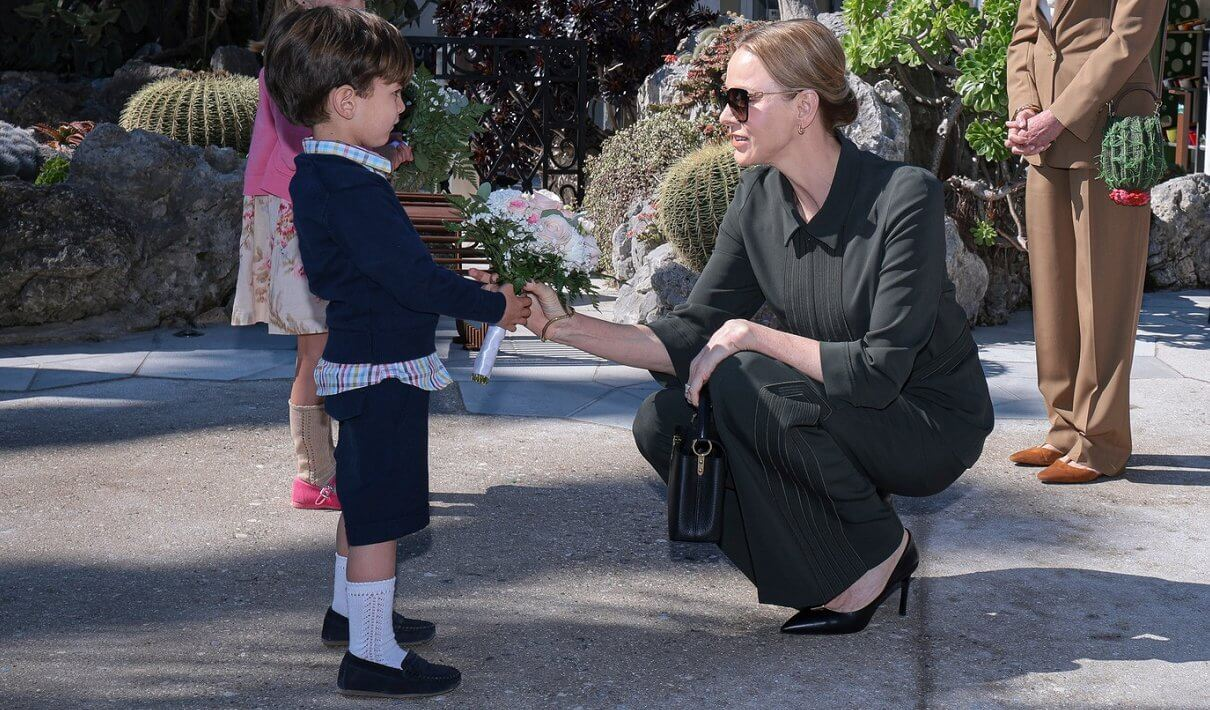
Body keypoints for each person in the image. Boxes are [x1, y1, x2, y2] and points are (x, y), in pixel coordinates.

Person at [517, 19, 993, 634]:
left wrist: (753, 334)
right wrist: (564, 327)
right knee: (666, 423)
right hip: (840, 409)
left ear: (804, 108)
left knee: (740, 373)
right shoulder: (758, 196)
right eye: (726, 99)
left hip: (923, 423)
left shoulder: (905, 195)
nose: (726, 116)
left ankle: (878, 552)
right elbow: (693, 332)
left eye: (743, 99)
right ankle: (824, 567)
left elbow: (879, 372)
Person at [263, 6, 531, 697]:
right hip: (382, 367)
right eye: (394, 91)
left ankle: (349, 613)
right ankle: (372, 654)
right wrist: (494, 306)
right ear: (346, 101)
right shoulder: (353, 188)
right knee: (381, 513)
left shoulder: (329, 172)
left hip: (365, 358)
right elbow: (410, 278)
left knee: (362, 493)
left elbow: (389, 265)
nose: (403, 103)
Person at [233, 0, 413, 511]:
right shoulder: (304, 68)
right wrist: (379, 156)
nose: (357, 5)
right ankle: (314, 474)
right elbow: (318, 146)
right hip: (297, 213)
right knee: (317, 348)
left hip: (301, 208)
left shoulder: (316, 61)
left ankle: (325, 469)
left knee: (322, 346)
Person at [1005, 0, 1166, 483]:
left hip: (1107, 136)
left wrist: (1058, 114)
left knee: (1104, 297)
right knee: (1052, 293)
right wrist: (1025, 107)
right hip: (1044, 141)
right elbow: (1025, 37)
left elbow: (1129, 38)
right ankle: (1063, 429)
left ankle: (1101, 443)